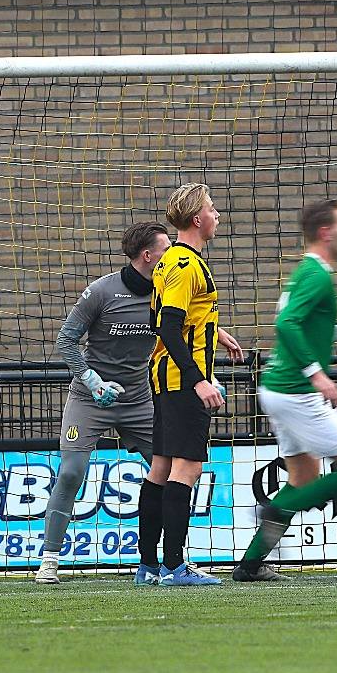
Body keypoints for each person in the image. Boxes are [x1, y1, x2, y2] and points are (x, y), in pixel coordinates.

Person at [233, 200, 337, 583]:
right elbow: (287, 324)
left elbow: (302, 326)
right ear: (326, 233)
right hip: (296, 392)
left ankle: (250, 565)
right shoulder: (317, 276)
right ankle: (273, 511)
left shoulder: (304, 272)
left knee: (304, 477)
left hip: (277, 389)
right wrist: (317, 375)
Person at [34, 221, 171, 585]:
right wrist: (92, 381)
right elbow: (66, 340)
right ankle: (49, 559)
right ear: (148, 256)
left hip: (139, 399)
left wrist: (215, 347)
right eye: (166, 248)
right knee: (71, 473)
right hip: (90, 399)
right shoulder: (101, 291)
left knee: (173, 473)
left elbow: (187, 326)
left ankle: (171, 560)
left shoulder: (168, 290)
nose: (172, 254)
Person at [141, 183, 244, 587]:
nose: (217, 216)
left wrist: (215, 332)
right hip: (183, 380)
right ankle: (173, 567)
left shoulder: (170, 260)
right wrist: (199, 380)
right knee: (188, 467)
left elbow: (172, 318)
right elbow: (167, 327)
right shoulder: (186, 265)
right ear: (198, 219)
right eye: (212, 209)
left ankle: (149, 565)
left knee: (162, 467)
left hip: (164, 376)